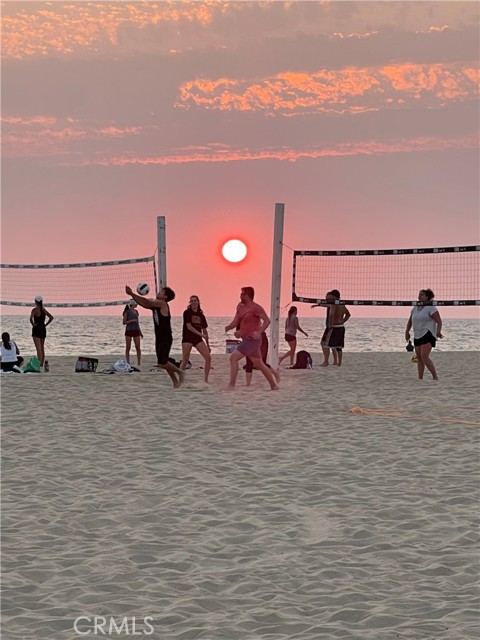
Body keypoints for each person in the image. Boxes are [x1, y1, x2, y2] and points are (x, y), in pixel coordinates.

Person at [125, 285, 184, 388]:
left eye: (161, 291)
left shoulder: (162, 303)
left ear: (165, 296)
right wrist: (133, 296)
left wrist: (132, 294)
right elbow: (144, 304)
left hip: (165, 337)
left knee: (163, 362)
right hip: (159, 337)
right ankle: (175, 382)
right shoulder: (156, 305)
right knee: (162, 363)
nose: (159, 292)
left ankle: (180, 372)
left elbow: (147, 302)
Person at [224, 286, 279, 390]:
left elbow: (267, 321)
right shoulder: (240, 306)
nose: (240, 296)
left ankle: (231, 385)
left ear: (247, 295)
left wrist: (259, 332)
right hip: (246, 339)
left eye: (242, 294)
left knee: (233, 358)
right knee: (259, 364)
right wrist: (229, 327)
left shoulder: (256, 308)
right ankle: (274, 385)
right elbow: (236, 321)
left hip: (253, 340)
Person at [405, 288, 443, 380]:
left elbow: (439, 321)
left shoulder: (431, 307)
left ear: (427, 297)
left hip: (428, 333)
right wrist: (407, 332)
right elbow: (410, 321)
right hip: (417, 334)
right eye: (419, 294)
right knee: (419, 357)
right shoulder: (415, 307)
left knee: (424, 356)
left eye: (422, 294)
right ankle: (420, 378)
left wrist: (438, 332)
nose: (419, 296)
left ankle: (435, 377)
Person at [180, 295, 211, 383]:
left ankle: (206, 379)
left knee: (208, 358)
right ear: (190, 303)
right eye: (192, 301)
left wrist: (208, 345)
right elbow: (188, 326)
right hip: (187, 338)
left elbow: (205, 331)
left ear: (198, 302)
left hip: (197, 339)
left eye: (195, 301)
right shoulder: (187, 313)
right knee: (185, 360)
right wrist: (201, 334)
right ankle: (179, 378)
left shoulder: (201, 315)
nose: (193, 302)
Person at [321, 289, 351, 366]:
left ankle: (326, 362)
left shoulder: (334, 304)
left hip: (334, 327)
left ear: (334, 296)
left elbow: (331, 314)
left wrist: (330, 324)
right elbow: (348, 314)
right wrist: (342, 321)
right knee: (338, 346)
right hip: (341, 327)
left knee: (325, 344)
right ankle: (339, 363)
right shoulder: (342, 304)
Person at [312, 291, 338, 366]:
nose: (326, 299)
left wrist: (318, 304)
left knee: (323, 343)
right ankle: (335, 361)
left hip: (331, 326)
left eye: (327, 297)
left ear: (332, 297)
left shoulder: (333, 303)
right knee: (332, 345)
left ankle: (326, 361)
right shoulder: (335, 303)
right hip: (332, 326)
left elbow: (327, 305)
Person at [30, 295, 54, 368]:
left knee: (38, 349)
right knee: (42, 348)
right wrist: (45, 324)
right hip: (43, 329)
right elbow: (51, 317)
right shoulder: (43, 310)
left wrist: (33, 324)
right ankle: (42, 364)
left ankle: (39, 365)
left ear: (36, 301)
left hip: (37, 329)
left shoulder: (34, 310)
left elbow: (30, 318)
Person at [123, 300, 143, 367]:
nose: (137, 304)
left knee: (138, 347)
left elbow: (137, 323)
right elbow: (124, 322)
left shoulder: (136, 312)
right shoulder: (127, 312)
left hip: (136, 330)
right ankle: (128, 362)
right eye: (136, 303)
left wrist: (140, 332)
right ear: (132, 304)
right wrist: (131, 321)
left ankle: (139, 363)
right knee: (128, 347)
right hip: (129, 330)